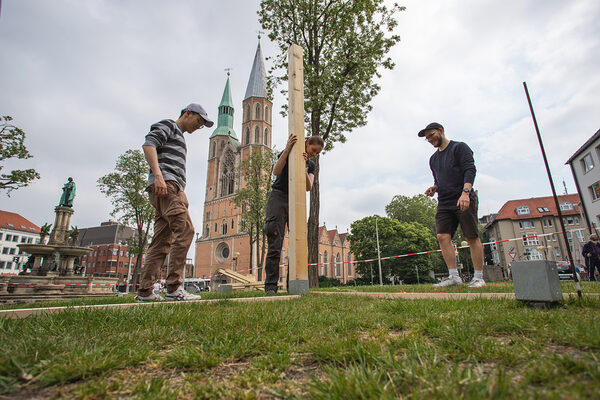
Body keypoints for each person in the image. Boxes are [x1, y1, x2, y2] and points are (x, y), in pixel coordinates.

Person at [136, 104, 214, 301]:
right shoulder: (170, 126)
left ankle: (145, 291)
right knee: (186, 230)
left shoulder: (179, 136)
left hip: (167, 189)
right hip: (167, 187)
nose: (199, 127)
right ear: (187, 113)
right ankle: (173, 288)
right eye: (198, 121)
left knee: (161, 242)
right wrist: (158, 176)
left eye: (202, 125)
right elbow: (149, 144)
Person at [420, 122, 486, 288]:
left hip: (462, 197)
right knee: (442, 236)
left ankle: (478, 277)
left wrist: (465, 193)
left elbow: (470, 170)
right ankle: (454, 277)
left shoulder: (459, 148)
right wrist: (434, 188)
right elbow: (439, 179)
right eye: (427, 138)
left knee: (471, 236)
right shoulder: (433, 159)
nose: (429, 139)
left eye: (431, 135)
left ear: (441, 131)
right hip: (444, 201)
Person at [264, 135, 324, 294]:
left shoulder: (310, 164)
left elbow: (308, 186)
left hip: (296, 200)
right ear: (308, 143)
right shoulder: (287, 152)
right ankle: (271, 287)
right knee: (275, 241)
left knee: (298, 244)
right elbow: (276, 170)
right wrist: (288, 149)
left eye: (317, 153)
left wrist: (304, 166)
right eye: (314, 150)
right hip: (278, 196)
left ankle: (294, 285)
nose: (314, 154)